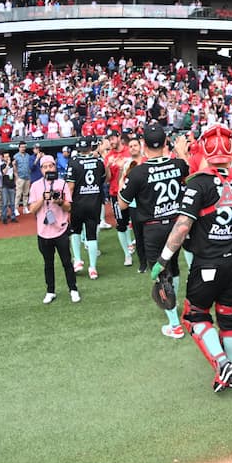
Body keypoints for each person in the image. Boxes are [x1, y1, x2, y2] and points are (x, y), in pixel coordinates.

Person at [151, 124, 232, 391]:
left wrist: (163, 259)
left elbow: (183, 226)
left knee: (195, 315)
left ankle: (222, 364)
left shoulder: (198, 182)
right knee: (229, 315)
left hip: (208, 262)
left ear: (205, 149)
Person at [119, 121, 190, 336]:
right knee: (174, 267)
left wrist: (125, 177)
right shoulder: (178, 165)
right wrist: (181, 153)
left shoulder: (138, 172)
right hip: (177, 226)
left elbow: (122, 204)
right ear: (165, 142)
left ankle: (175, 324)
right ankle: (175, 309)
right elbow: (189, 177)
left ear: (143, 144)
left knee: (160, 274)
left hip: (153, 229)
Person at [28, 154, 80, 304]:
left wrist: (59, 201)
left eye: (51, 166)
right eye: (45, 167)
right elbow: (32, 209)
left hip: (61, 229)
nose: (48, 169)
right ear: (41, 169)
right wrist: (43, 198)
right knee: (48, 263)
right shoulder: (36, 186)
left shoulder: (62, 184)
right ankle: (50, 291)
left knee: (66, 262)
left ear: (55, 167)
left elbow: (68, 207)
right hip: (43, 231)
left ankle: (73, 289)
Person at [68, 137, 107, 279]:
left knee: (76, 231)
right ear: (91, 148)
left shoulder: (73, 162)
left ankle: (77, 260)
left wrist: (67, 204)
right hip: (94, 203)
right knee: (91, 236)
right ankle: (93, 268)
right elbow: (105, 178)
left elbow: (70, 186)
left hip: (78, 203)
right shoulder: (98, 162)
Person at [103, 129, 136, 265]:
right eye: (109, 139)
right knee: (121, 224)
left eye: (112, 138)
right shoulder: (109, 156)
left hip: (133, 192)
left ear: (118, 138)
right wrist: (108, 166)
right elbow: (107, 179)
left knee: (138, 222)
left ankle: (140, 250)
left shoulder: (130, 151)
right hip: (116, 193)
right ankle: (127, 255)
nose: (111, 142)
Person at [0, 151, 17, 224]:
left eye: (8, 156)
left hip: (12, 185)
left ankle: (13, 217)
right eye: (5, 157)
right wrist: (8, 164)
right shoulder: (2, 165)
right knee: (5, 203)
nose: (7, 158)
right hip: (5, 186)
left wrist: (14, 165)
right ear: (3, 158)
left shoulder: (12, 165)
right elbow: (4, 172)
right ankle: (4, 217)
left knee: (12, 203)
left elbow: (15, 172)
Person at [15, 141, 33, 215]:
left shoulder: (28, 156)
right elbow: (14, 167)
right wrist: (16, 176)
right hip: (20, 177)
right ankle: (16, 208)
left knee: (26, 193)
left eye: (24, 147)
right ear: (19, 147)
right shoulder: (16, 156)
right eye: (22, 147)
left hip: (27, 177)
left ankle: (25, 207)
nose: (23, 148)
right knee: (18, 194)